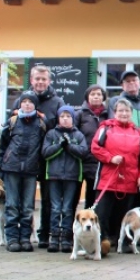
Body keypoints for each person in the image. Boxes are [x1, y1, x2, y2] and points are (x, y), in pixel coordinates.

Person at [10, 65, 66, 248]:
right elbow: (10, 128)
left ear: (49, 81)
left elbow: (60, 128)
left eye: (44, 79)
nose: (40, 82)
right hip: (24, 160)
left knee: (48, 199)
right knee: (22, 200)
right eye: (37, 79)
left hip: (49, 159)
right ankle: (17, 235)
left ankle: (44, 234)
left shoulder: (58, 102)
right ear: (31, 80)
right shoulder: (21, 100)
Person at [90, 98, 140, 252]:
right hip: (107, 180)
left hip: (129, 181)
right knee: (102, 213)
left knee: (124, 216)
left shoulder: (139, 133)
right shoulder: (105, 128)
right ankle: (101, 242)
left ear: (131, 113)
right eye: (120, 111)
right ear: (115, 112)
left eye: (127, 111)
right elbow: (95, 147)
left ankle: (122, 242)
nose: (124, 113)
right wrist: (110, 158)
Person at [0, 91, 47, 252]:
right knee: (12, 205)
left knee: (27, 206)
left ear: (35, 105)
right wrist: (1, 167)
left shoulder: (41, 124)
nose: (27, 104)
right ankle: (12, 238)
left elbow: (43, 150)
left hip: (31, 170)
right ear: (19, 104)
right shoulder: (12, 122)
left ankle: (25, 237)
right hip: (11, 168)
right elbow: (2, 146)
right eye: (24, 101)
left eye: (30, 102)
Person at [41, 105, 87, 253]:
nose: (65, 119)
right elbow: (45, 153)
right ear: (58, 118)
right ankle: (54, 238)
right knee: (55, 208)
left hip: (72, 177)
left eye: (68, 116)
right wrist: (60, 146)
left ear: (72, 118)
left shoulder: (78, 135)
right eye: (62, 116)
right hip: (54, 176)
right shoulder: (51, 134)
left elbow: (83, 152)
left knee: (67, 208)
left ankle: (66, 238)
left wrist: (69, 147)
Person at [107, 70, 140, 210]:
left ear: (139, 83)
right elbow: (113, 125)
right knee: (121, 195)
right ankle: (118, 228)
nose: (131, 83)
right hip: (125, 156)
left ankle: (138, 227)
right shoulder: (116, 102)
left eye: (134, 80)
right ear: (122, 85)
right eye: (127, 81)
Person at [74, 85, 110, 209]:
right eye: (93, 94)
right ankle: (72, 227)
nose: (96, 97)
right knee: (74, 198)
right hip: (79, 162)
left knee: (92, 198)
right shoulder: (79, 114)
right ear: (87, 97)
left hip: (97, 163)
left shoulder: (107, 115)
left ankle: (90, 226)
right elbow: (73, 134)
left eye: (99, 94)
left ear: (103, 97)